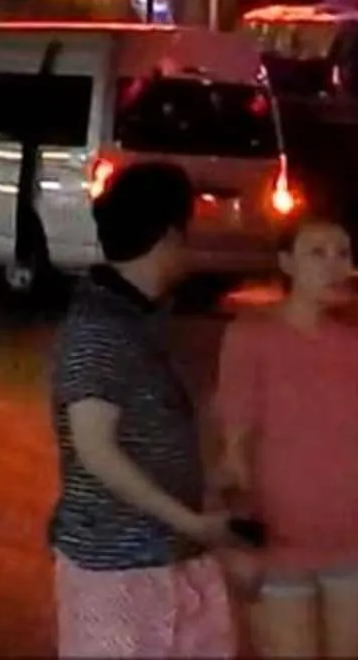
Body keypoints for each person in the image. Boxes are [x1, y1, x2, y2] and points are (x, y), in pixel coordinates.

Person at [49, 162, 251, 658]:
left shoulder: (143, 317)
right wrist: (189, 520)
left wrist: (210, 483)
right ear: (168, 237)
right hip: (117, 566)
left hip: (171, 559)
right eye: (189, 230)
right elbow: (95, 449)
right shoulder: (99, 327)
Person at [214, 218, 358, 660]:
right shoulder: (250, 338)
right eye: (317, 253)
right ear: (286, 263)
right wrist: (241, 543)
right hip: (279, 544)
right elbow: (234, 450)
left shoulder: (357, 345)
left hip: (351, 540)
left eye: (342, 253)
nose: (334, 266)